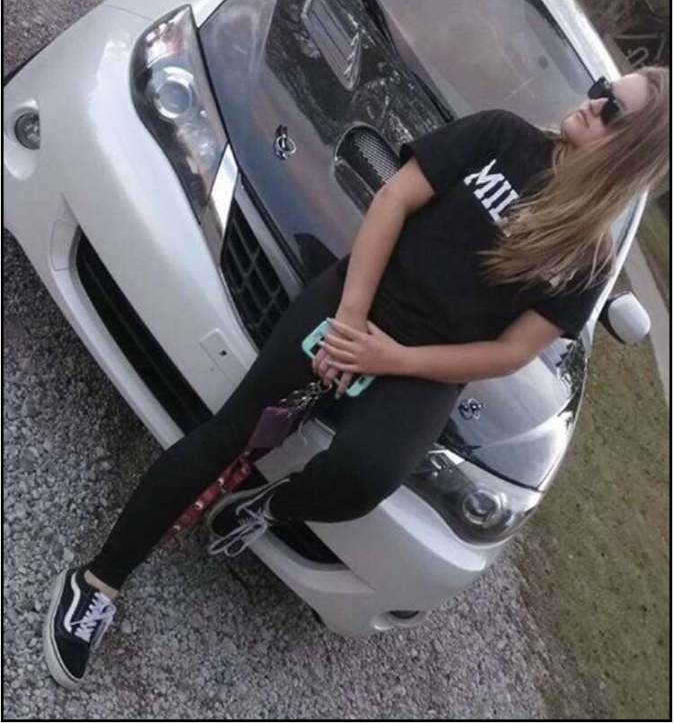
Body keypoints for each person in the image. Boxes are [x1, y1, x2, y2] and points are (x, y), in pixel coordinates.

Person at [43, 67, 670, 689]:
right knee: (232, 432)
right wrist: (350, 324)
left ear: (630, 155)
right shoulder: (502, 138)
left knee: (366, 474)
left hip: (423, 367)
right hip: (359, 301)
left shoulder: (587, 260)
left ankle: (270, 504)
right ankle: (96, 582)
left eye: (613, 111)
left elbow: (508, 352)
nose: (593, 105)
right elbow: (394, 199)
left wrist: (392, 360)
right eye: (602, 89)